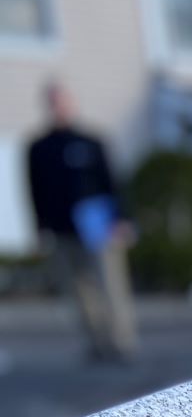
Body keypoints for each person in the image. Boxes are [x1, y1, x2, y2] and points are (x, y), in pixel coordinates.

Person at [27, 82, 137, 363]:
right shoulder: (39, 148)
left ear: (71, 103)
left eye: (62, 101)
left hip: (98, 228)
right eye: (53, 102)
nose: (59, 107)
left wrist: (122, 219)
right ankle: (97, 343)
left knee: (110, 285)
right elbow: (34, 190)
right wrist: (40, 227)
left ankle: (120, 342)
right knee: (78, 290)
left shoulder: (91, 142)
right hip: (62, 230)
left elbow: (113, 182)